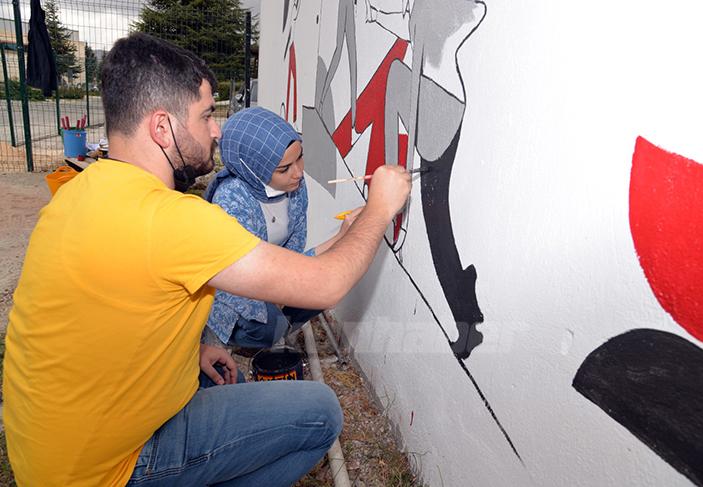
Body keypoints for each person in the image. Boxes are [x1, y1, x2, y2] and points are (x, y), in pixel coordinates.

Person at [2, 32, 411, 486]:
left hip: (45, 456)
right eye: (205, 115)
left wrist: (194, 350)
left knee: (230, 387)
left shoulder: (75, 193)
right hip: (107, 470)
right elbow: (325, 284)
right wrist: (379, 208)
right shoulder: (174, 220)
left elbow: (106, 316)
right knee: (321, 413)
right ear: (162, 128)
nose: (216, 130)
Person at [203, 107, 362, 351]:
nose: (298, 172)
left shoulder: (295, 187)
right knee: (269, 325)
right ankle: (243, 337)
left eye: (300, 157)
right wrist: (340, 238)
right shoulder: (232, 201)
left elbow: (292, 258)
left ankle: (278, 326)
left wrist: (343, 236)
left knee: (323, 287)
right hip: (237, 292)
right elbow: (251, 280)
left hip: (270, 278)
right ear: (253, 168)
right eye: (284, 168)